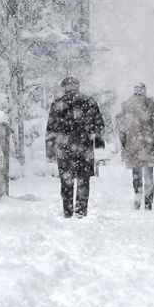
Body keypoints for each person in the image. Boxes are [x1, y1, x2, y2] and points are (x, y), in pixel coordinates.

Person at [46, 77, 105, 218]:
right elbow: (99, 125)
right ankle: (81, 211)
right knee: (83, 180)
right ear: (78, 86)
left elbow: (51, 129)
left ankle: (67, 211)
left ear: (64, 87)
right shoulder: (89, 102)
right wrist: (96, 140)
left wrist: (50, 149)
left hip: (64, 148)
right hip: (84, 147)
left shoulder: (58, 104)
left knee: (66, 181)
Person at [117, 83, 154, 210]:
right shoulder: (151, 105)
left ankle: (137, 196)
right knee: (148, 174)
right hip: (148, 144)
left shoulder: (126, 105)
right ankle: (148, 201)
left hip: (133, 144)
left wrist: (124, 142)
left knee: (136, 173)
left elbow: (121, 127)